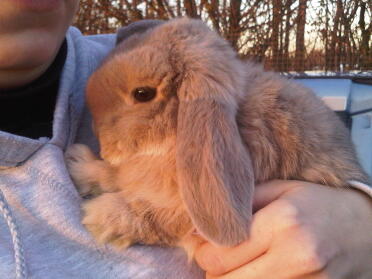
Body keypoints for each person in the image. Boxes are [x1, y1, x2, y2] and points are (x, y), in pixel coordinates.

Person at [0, 1, 371, 278]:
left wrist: (360, 220)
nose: (100, 130)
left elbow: (209, 190)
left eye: (144, 97)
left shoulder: (146, 59)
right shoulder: (129, 73)